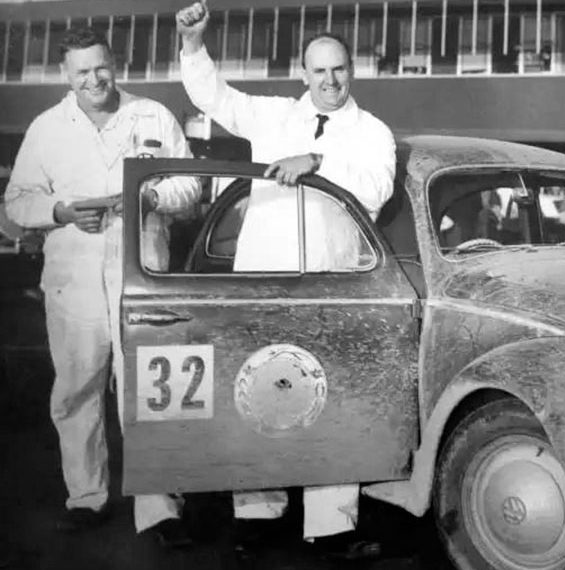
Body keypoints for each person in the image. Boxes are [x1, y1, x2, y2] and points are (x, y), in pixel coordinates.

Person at [175, 0, 395, 552]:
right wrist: (194, 45)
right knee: (258, 394)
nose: (329, 81)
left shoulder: (373, 131)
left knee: (332, 398)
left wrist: (316, 162)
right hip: (264, 281)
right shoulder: (271, 116)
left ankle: (331, 526)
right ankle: (258, 516)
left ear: (352, 70)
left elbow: (376, 189)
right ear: (303, 74)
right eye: (319, 70)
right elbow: (211, 96)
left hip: (333, 286)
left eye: (338, 69)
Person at [4, 27, 200, 546]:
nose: (94, 80)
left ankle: (160, 508)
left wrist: (152, 199)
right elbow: (17, 201)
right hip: (73, 281)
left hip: (142, 277)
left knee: (150, 394)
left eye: (101, 68)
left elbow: (190, 183)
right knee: (76, 391)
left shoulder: (152, 115)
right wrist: (61, 212)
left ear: (115, 63)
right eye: (82, 72)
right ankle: (87, 497)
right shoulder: (47, 128)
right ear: (65, 75)